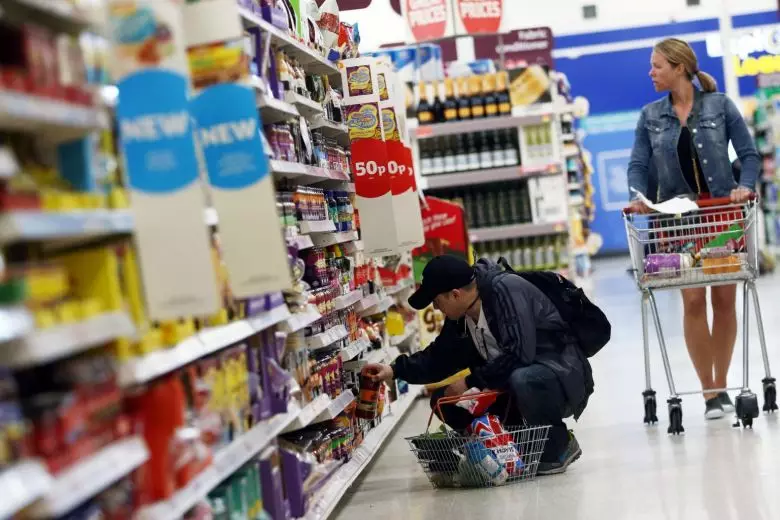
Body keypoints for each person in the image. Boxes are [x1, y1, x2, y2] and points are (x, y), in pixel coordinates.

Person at [626, 38, 760, 420]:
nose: (651, 73)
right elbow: (638, 165)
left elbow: (749, 155)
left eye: (657, 66)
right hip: (677, 220)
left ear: (679, 67)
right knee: (694, 301)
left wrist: (744, 186)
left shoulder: (720, 106)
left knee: (724, 301)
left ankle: (723, 380)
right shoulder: (650, 116)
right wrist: (638, 195)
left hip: (721, 217)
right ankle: (710, 391)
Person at [362, 255, 593, 475]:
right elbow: (440, 357)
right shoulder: (462, 316)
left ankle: (559, 446)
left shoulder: (506, 291)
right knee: (445, 401)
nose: (436, 308)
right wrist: (394, 370)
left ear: (455, 294)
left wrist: (471, 381)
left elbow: (519, 354)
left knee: (522, 378)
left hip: (560, 374)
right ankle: (511, 446)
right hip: (511, 381)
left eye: (436, 301)